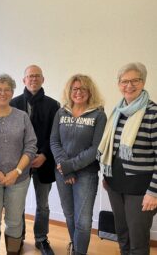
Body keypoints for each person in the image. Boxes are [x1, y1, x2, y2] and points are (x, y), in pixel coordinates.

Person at [98, 62, 157, 255]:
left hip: (141, 190)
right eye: (124, 81)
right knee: (122, 234)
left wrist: (153, 193)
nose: (129, 85)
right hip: (115, 185)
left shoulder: (152, 113)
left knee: (138, 240)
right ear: (118, 84)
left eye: (135, 80)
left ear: (143, 82)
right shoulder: (117, 112)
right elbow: (111, 149)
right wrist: (106, 177)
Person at [50, 74, 107, 255]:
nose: (78, 92)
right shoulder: (61, 112)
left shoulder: (99, 115)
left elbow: (95, 149)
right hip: (62, 172)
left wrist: (70, 167)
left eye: (83, 89)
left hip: (86, 174)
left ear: (90, 92)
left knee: (83, 221)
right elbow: (54, 141)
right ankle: (75, 246)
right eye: (75, 88)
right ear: (70, 91)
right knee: (69, 215)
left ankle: (79, 252)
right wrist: (64, 168)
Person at [0, 74, 37, 255]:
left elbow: (31, 146)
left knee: (14, 221)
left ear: (12, 92)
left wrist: (17, 171)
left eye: (7, 89)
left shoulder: (22, 117)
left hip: (19, 179)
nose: (2, 93)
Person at [10, 65, 60, 255]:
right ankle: (18, 237)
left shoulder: (53, 105)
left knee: (43, 204)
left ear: (42, 79)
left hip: (44, 162)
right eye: (30, 76)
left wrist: (44, 155)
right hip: (19, 163)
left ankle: (41, 239)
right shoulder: (13, 104)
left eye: (37, 76)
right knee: (18, 204)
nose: (33, 79)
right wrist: (25, 157)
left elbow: (55, 135)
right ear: (24, 80)